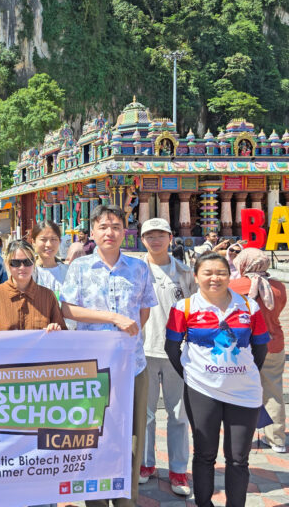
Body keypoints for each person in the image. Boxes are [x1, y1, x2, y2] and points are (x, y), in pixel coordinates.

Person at [60, 205, 158, 507]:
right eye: (103, 226)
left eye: (116, 226)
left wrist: (125, 340)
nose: (110, 232)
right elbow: (67, 309)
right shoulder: (79, 267)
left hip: (132, 365)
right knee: (93, 434)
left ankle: (126, 497)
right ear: (93, 232)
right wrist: (113, 319)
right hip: (92, 367)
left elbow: (144, 310)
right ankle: (96, 499)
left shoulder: (139, 267)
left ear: (124, 232)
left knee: (132, 435)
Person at [165, 252, 269, 507]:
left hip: (244, 392)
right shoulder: (184, 307)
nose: (215, 278)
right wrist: (193, 375)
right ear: (196, 276)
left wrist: (241, 373)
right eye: (207, 273)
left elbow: (261, 348)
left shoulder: (249, 306)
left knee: (238, 459)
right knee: (204, 454)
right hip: (202, 390)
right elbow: (172, 348)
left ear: (229, 275)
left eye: (221, 272)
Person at [138, 218, 196, 495]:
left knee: (178, 414)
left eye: (161, 234)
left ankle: (178, 470)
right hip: (143, 350)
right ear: (142, 240)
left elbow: (197, 308)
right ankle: (146, 464)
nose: (156, 240)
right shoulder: (135, 271)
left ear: (170, 238)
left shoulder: (184, 272)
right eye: (150, 235)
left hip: (177, 353)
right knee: (145, 414)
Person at [230, 248, 288, 453]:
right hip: (274, 343)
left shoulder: (234, 286)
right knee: (273, 391)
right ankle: (277, 439)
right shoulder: (279, 287)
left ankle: (241, 436)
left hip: (244, 347)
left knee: (240, 392)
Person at [0, 239, 65, 331]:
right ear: (7, 264)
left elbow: (62, 332)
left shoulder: (48, 296)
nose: (22, 267)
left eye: (27, 262)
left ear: (34, 263)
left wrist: (56, 328)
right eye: (15, 263)